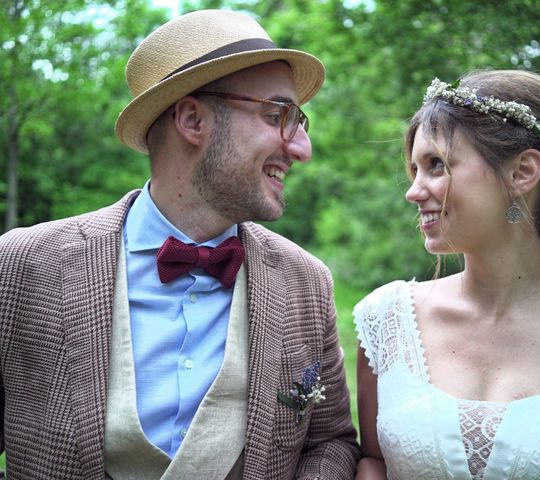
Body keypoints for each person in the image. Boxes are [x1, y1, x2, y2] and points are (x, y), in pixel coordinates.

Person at [0, 9, 359, 479]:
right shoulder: (22, 264)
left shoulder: (306, 283)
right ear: (192, 119)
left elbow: (330, 441)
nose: (301, 148)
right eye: (277, 115)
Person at [354, 70, 540, 479]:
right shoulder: (385, 321)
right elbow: (373, 462)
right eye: (415, 169)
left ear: (522, 172)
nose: (414, 191)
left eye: (436, 165)